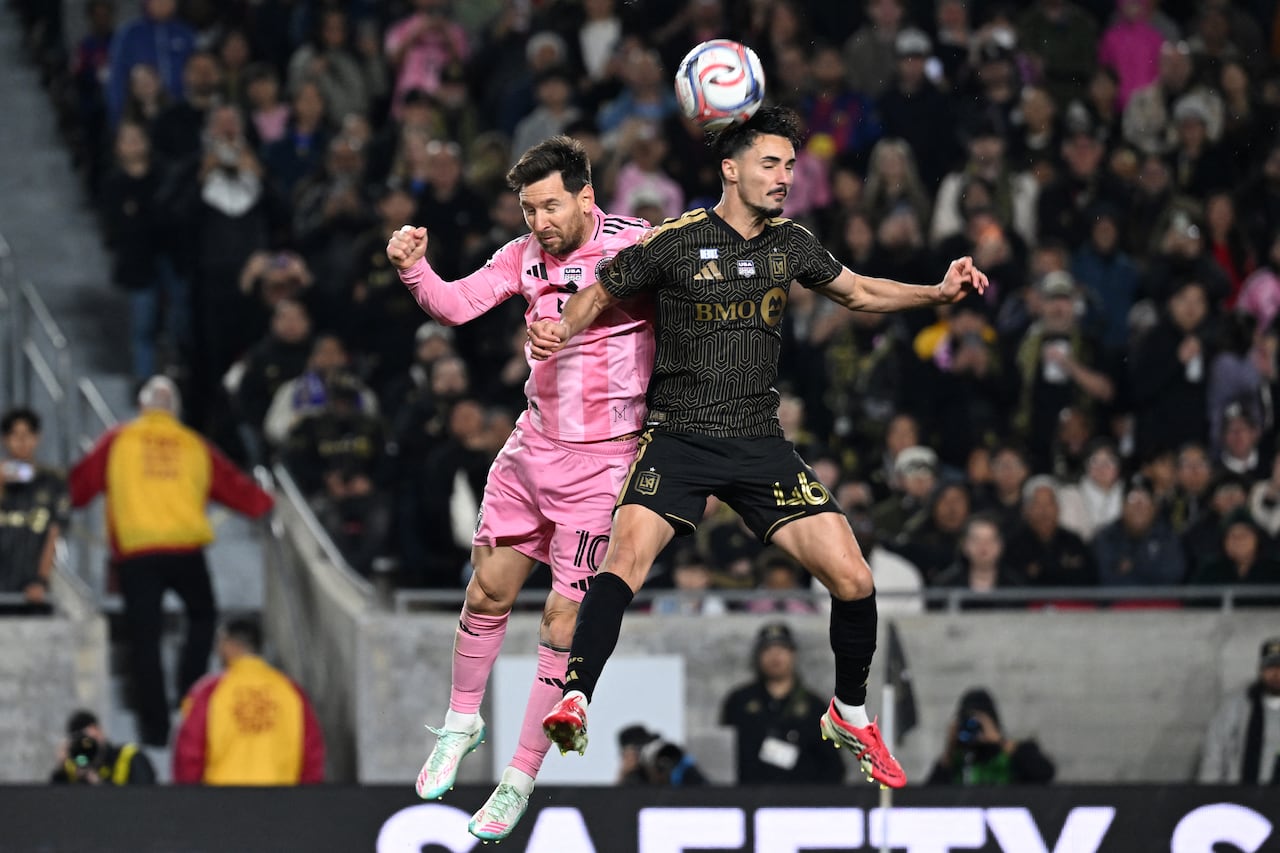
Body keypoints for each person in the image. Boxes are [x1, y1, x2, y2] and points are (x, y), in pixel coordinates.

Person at [532, 106, 989, 789]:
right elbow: (600, 289)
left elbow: (859, 291)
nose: (784, 177)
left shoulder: (791, 243)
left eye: (789, 166)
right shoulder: (677, 239)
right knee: (625, 560)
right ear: (731, 168)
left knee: (856, 579)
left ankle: (849, 710)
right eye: (770, 164)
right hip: (678, 435)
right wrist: (560, 329)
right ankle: (576, 694)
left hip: (758, 443)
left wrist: (938, 292)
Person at [384, 135, 652, 841]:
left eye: (551, 205)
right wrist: (416, 272)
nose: (539, 221)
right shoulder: (521, 256)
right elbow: (456, 304)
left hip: (602, 467)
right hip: (531, 451)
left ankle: (520, 776)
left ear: (588, 196)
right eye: (529, 208)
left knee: (560, 626)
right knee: (485, 592)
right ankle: (462, 723)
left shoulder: (639, 248)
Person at [68, 377, 274, 746]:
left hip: (137, 554)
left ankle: (155, 730)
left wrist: (54, 497)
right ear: (174, 409)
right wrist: (268, 503)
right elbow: (237, 489)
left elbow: (79, 488)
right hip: (185, 551)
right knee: (203, 617)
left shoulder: (119, 440)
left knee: (144, 640)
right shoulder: (194, 444)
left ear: (143, 407)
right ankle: (189, 696)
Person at [173, 617, 324, 785]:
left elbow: (189, 755)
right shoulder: (292, 692)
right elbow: (312, 756)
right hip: (283, 802)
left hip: (221, 804)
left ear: (230, 645)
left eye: (220, 643)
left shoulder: (208, 692)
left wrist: (188, 802)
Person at [720, 622, 847, 785]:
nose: (775, 656)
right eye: (767, 650)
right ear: (758, 656)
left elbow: (833, 767)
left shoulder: (815, 707)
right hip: (748, 798)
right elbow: (723, 757)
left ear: (793, 654)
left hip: (798, 802)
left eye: (782, 649)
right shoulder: (739, 702)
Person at [0, 408, 70, 612]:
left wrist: (40, 580)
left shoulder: (52, 482)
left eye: (27, 434)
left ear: (37, 438)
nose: (21, 441)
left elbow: (54, 535)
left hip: (33, 590)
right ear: (5, 439)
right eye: (15, 435)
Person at [926, 687, 1056, 785]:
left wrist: (999, 740)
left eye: (978, 723)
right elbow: (928, 797)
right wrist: (950, 749)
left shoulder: (1013, 752)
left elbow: (1045, 773)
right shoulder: (957, 759)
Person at [1200, 637, 1280, 784]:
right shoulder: (1237, 704)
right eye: (1270, 667)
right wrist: (1207, 793)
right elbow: (1215, 751)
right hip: (1240, 795)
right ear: (1260, 669)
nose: (1276, 674)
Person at [50, 710, 155, 785]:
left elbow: (144, 797)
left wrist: (99, 783)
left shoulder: (129, 757)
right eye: (80, 743)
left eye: (88, 740)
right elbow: (55, 804)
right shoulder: (73, 769)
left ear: (99, 731)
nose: (86, 747)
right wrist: (61, 768)